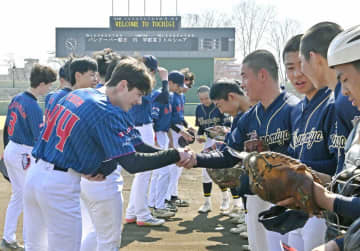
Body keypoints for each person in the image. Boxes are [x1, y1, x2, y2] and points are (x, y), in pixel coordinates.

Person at [22, 57, 191, 251]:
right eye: (138, 94)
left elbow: (132, 144)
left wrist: (172, 153)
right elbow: (132, 163)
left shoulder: (82, 93)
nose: (138, 101)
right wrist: (175, 156)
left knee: (35, 247)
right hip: (59, 184)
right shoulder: (107, 109)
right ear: (123, 85)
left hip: (36, 175)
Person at [179, 50, 299, 251]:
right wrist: (196, 158)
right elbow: (229, 154)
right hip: (257, 193)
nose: (241, 84)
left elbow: (304, 159)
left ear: (262, 75)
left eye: (244, 76)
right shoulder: (249, 117)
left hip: (289, 196)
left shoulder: (294, 109)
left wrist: (271, 157)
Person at [279, 24, 360, 251]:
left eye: (344, 78)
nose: (343, 90)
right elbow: (346, 178)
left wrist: (324, 197)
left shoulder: (340, 104)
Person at [283, 34, 337, 251]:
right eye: (289, 68)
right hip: (297, 205)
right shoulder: (297, 109)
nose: (297, 74)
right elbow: (295, 154)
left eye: (301, 65)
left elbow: (338, 167)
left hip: (322, 209)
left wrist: (298, 170)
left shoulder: (333, 103)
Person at [0, 64, 57, 251]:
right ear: (40, 84)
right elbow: (38, 138)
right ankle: (32, 244)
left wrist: (5, 150)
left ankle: (8, 238)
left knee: (19, 196)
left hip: (12, 149)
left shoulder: (17, 98)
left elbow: (7, 127)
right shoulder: (32, 105)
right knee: (31, 199)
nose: (49, 89)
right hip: (24, 154)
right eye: (48, 85)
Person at [300, 22, 360, 175]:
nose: (301, 71)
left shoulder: (345, 99)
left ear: (313, 57)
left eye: (301, 61)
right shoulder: (337, 96)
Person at [125, 55, 172, 226]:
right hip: (142, 128)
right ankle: (142, 215)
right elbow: (165, 98)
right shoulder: (142, 85)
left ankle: (132, 212)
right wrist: (165, 80)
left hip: (132, 127)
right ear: (151, 71)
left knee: (141, 174)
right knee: (144, 173)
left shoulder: (130, 82)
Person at [208, 79, 252, 234]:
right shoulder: (239, 115)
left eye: (219, 105)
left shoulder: (252, 112)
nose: (220, 111)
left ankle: (251, 224)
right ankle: (250, 222)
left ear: (231, 97)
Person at [195, 84, 236, 215]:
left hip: (221, 141)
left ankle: (227, 200)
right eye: (201, 99)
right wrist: (199, 136)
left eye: (206, 98)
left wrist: (220, 131)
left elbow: (227, 124)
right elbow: (201, 128)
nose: (204, 101)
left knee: (222, 171)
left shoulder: (219, 106)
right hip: (208, 142)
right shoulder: (199, 109)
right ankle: (207, 203)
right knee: (206, 173)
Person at [165, 70, 194, 211]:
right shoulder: (170, 96)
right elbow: (168, 120)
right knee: (171, 166)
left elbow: (180, 116)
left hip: (179, 129)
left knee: (178, 167)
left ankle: (173, 195)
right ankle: (166, 197)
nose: (187, 87)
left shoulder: (180, 97)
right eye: (185, 83)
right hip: (172, 131)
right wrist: (180, 131)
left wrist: (188, 127)